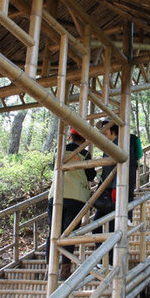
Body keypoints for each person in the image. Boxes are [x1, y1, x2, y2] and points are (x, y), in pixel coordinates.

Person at [46, 127, 96, 280]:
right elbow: (91, 174)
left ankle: (49, 269)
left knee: (53, 232)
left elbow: (51, 167)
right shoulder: (85, 154)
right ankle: (64, 270)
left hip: (56, 195)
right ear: (83, 140)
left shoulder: (59, 151)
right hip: (76, 197)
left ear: (70, 137)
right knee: (69, 233)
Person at [93, 120, 142, 265]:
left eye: (105, 131)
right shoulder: (107, 146)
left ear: (113, 130)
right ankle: (104, 260)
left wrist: (118, 190)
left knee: (112, 229)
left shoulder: (124, 144)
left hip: (116, 192)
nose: (103, 133)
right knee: (97, 227)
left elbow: (130, 169)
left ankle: (110, 262)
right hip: (106, 191)